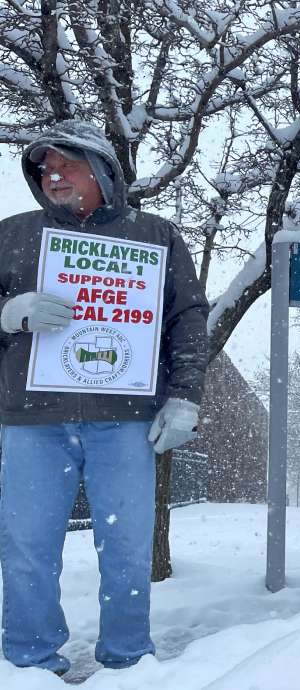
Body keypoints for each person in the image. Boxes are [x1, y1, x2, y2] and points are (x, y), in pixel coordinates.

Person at [0, 119, 207, 674]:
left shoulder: (156, 236)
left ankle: (128, 659)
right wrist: (8, 313)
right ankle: (29, 661)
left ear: (102, 171)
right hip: (32, 419)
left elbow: (187, 317)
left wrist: (185, 395)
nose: (54, 176)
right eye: (46, 168)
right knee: (27, 545)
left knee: (127, 546)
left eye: (67, 165)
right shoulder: (12, 234)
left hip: (125, 419)